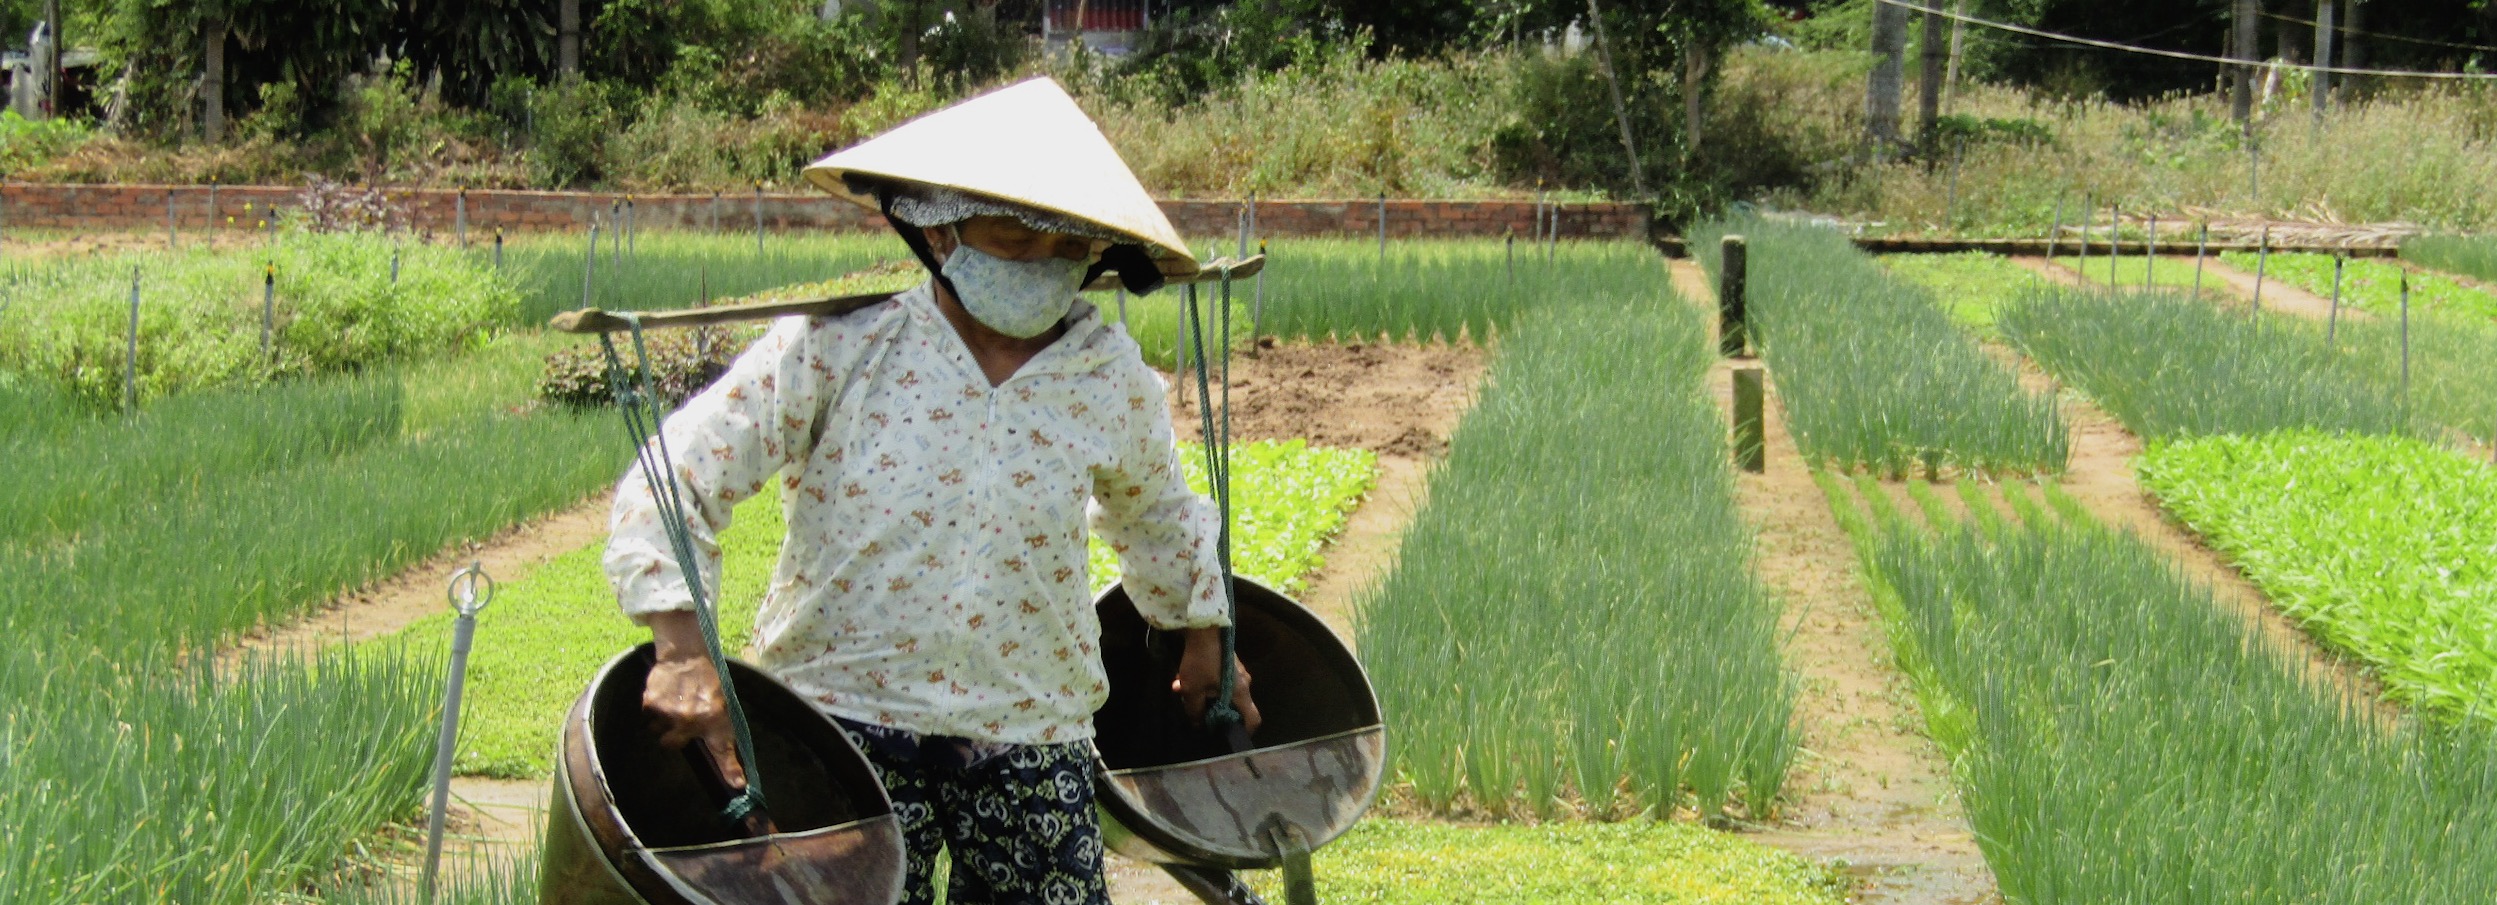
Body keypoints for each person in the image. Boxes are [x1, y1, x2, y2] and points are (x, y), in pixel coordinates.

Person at [603, 77, 1257, 905]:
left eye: (1065, 246)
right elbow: (677, 476)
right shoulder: (839, 347)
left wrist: (1205, 637)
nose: (1040, 263)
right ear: (940, 230)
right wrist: (682, 650)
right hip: (841, 716)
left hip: (1028, 722)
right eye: (1012, 238)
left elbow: (1156, 514)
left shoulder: (1105, 375)